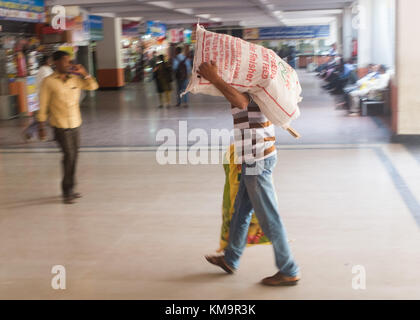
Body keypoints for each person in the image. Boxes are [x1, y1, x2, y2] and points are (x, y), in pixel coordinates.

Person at [198, 61, 300, 286]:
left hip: (257, 159)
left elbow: (241, 102)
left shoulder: (255, 86)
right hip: (251, 158)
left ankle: (289, 268)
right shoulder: (252, 84)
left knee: (268, 217)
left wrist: (215, 78)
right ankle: (231, 259)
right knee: (240, 212)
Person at [37, 51, 99, 204]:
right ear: (55, 63)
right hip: (60, 125)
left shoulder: (75, 79)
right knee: (69, 156)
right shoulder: (48, 81)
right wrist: (41, 125)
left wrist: (84, 73)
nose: (68, 64)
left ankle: (70, 187)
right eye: (65, 61)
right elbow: (43, 104)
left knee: (74, 156)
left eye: (69, 61)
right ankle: (67, 190)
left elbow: (93, 86)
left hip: (75, 123)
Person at [22, 55, 53, 142]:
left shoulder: (47, 69)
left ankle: (29, 132)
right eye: (50, 59)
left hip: (46, 96)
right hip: (44, 97)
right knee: (42, 117)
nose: (51, 61)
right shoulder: (43, 70)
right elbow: (48, 83)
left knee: (43, 117)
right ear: (46, 61)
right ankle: (30, 132)